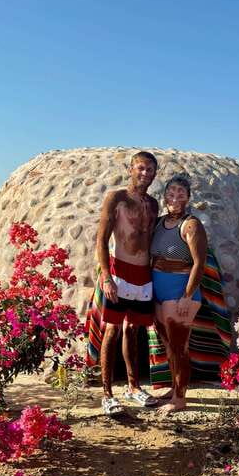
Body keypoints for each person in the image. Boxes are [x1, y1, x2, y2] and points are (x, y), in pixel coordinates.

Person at [90, 151, 159, 416]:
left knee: (133, 331)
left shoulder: (153, 204)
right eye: (141, 168)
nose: (145, 174)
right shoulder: (116, 198)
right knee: (112, 330)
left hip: (143, 274)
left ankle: (133, 387)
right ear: (130, 169)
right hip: (119, 271)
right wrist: (106, 276)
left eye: (150, 170)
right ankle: (107, 394)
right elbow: (101, 239)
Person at [150, 174, 208, 414]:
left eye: (181, 193)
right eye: (171, 192)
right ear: (164, 196)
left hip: (180, 293)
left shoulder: (191, 224)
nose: (175, 197)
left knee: (179, 347)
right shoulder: (160, 222)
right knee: (167, 344)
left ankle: (180, 398)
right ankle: (175, 388)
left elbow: (199, 263)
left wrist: (187, 295)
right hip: (159, 292)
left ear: (188, 197)